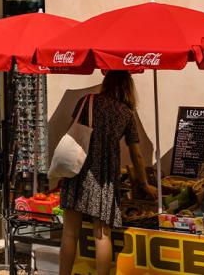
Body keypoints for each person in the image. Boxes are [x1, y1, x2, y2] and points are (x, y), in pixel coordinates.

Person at [58, 71, 157, 275]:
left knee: (69, 234)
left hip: (76, 171)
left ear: (106, 82)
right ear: (127, 87)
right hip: (103, 178)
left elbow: (70, 132)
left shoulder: (87, 101)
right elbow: (137, 155)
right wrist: (144, 183)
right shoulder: (126, 113)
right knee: (102, 236)